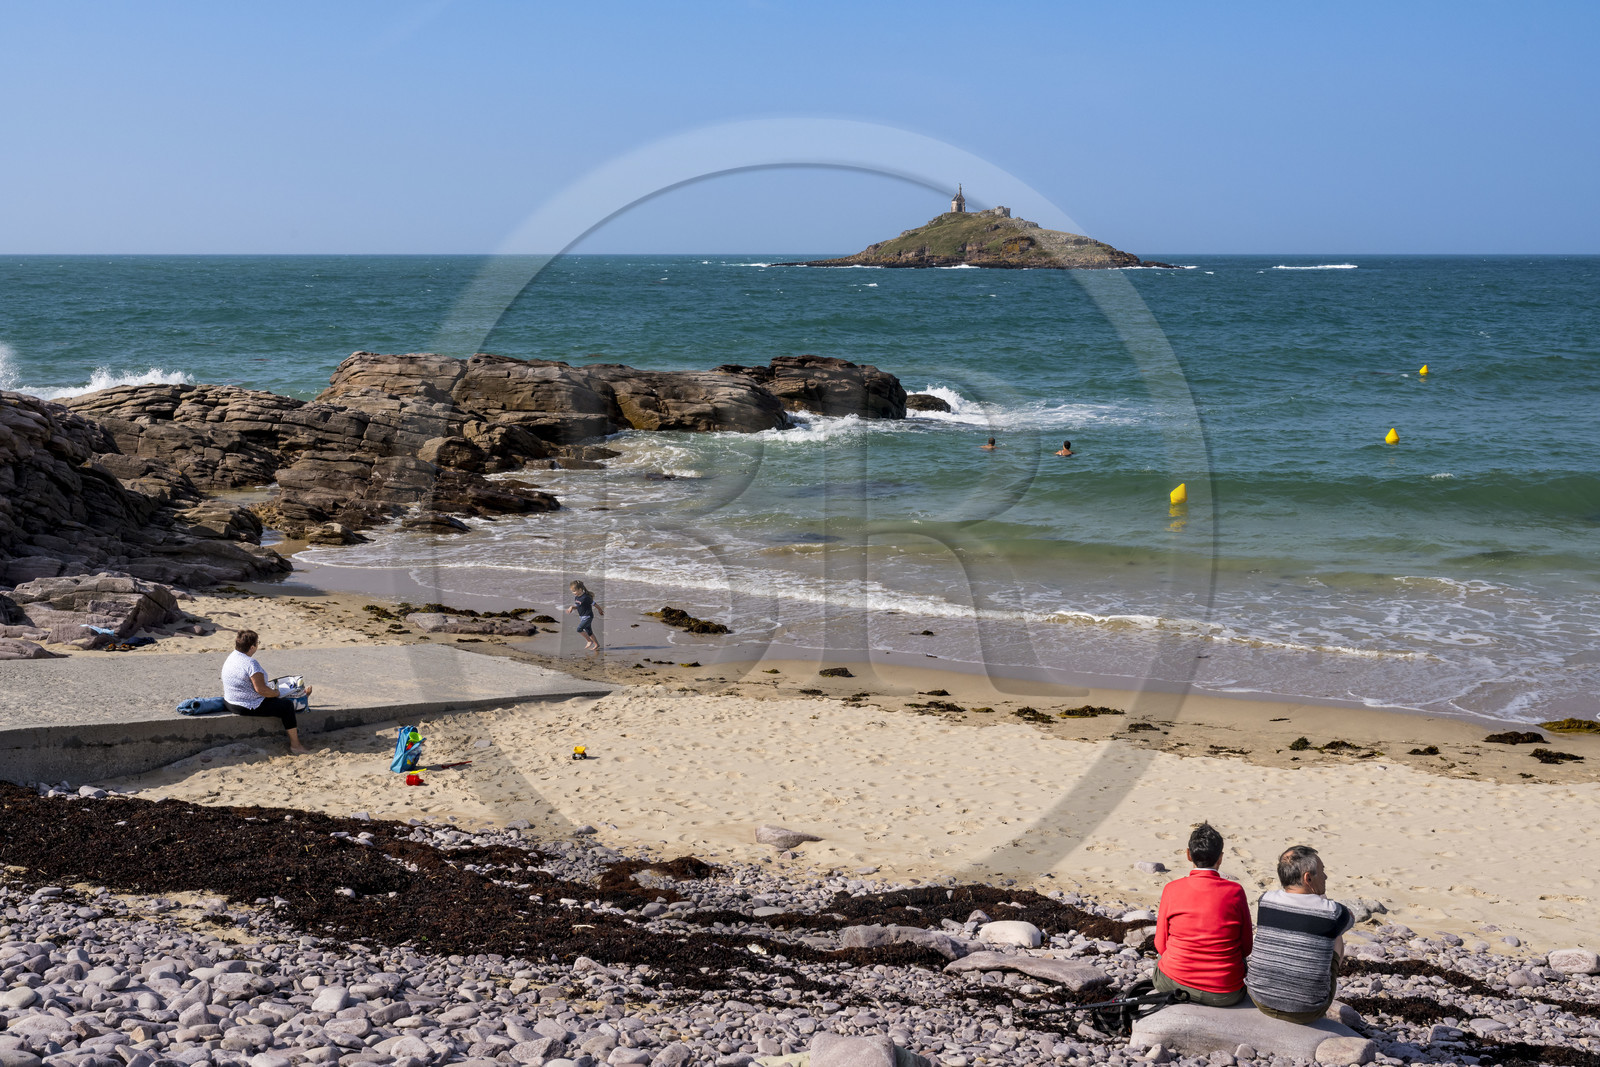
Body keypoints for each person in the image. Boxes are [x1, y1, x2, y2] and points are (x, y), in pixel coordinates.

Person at [1246, 845, 1354, 1023]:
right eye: (1322, 871)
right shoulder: (1333, 912)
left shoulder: (1265, 900)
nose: (1326, 876)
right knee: (1336, 933)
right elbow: (1349, 918)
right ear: (1308, 878)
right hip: (1307, 1010)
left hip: (1260, 999)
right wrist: (1322, 900)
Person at [1152, 822, 1253, 1006]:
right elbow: (1246, 948)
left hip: (1173, 984)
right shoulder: (1235, 891)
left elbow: (1160, 945)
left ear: (1188, 854)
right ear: (1220, 858)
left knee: (1163, 957)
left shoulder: (1172, 889)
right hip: (1224, 994)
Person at [221, 630, 313, 755]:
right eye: (257, 643)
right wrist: (276, 693)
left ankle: (302, 696)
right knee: (286, 706)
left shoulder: (233, 656)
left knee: (277, 693)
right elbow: (261, 690)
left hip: (230, 701)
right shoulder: (251, 663)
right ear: (252, 647)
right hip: (246, 705)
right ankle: (295, 745)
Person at [565, 579, 603, 651]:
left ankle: (589, 641)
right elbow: (579, 606)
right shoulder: (577, 597)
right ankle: (597, 644)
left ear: (580, 589)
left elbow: (594, 604)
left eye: (574, 591)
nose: (573, 593)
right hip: (582, 617)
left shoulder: (586, 597)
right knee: (589, 632)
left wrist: (600, 610)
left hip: (588, 616)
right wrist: (572, 607)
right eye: (572, 591)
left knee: (579, 629)